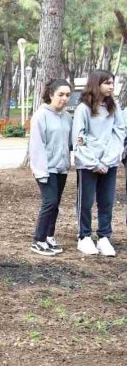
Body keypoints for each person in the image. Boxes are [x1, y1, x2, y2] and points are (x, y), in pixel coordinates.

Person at [72, 69, 125, 256]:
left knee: (107, 201)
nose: (111, 86)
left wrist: (108, 160)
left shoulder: (114, 106)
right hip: (88, 164)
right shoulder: (83, 109)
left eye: (112, 83)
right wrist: (94, 162)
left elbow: (119, 132)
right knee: (86, 202)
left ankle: (104, 237)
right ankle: (84, 236)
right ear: (96, 84)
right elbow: (79, 138)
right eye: (107, 83)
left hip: (109, 163)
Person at [28, 79, 73, 256]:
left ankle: (48, 237)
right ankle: (38, 240)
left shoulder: (67, 117)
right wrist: (41, 172)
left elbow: (69, 142)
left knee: (55, 204)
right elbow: (36, 146)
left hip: (61, 168)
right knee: (50, 202)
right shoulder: (41, 115)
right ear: (51, 94)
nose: (64, 98)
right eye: (60, 94)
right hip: (46, 168)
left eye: (67, 95)